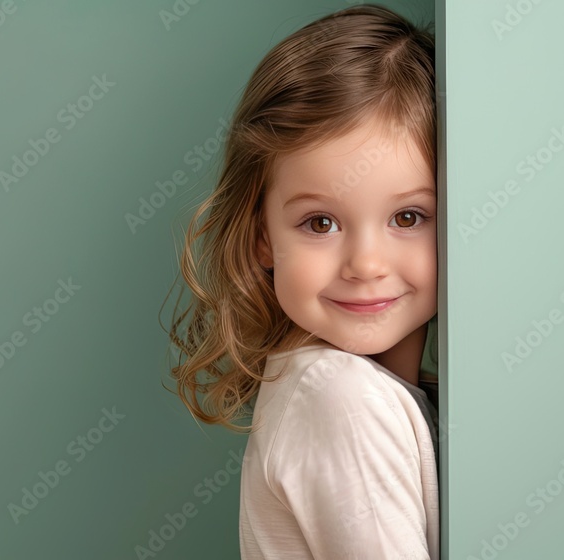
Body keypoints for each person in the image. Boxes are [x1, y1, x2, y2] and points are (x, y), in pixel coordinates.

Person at [163, 4, 439, 558]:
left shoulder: (348, 389)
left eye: (407, 217)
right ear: (262, 235)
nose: (365, 264)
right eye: (320, 223)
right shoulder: (341, 397)